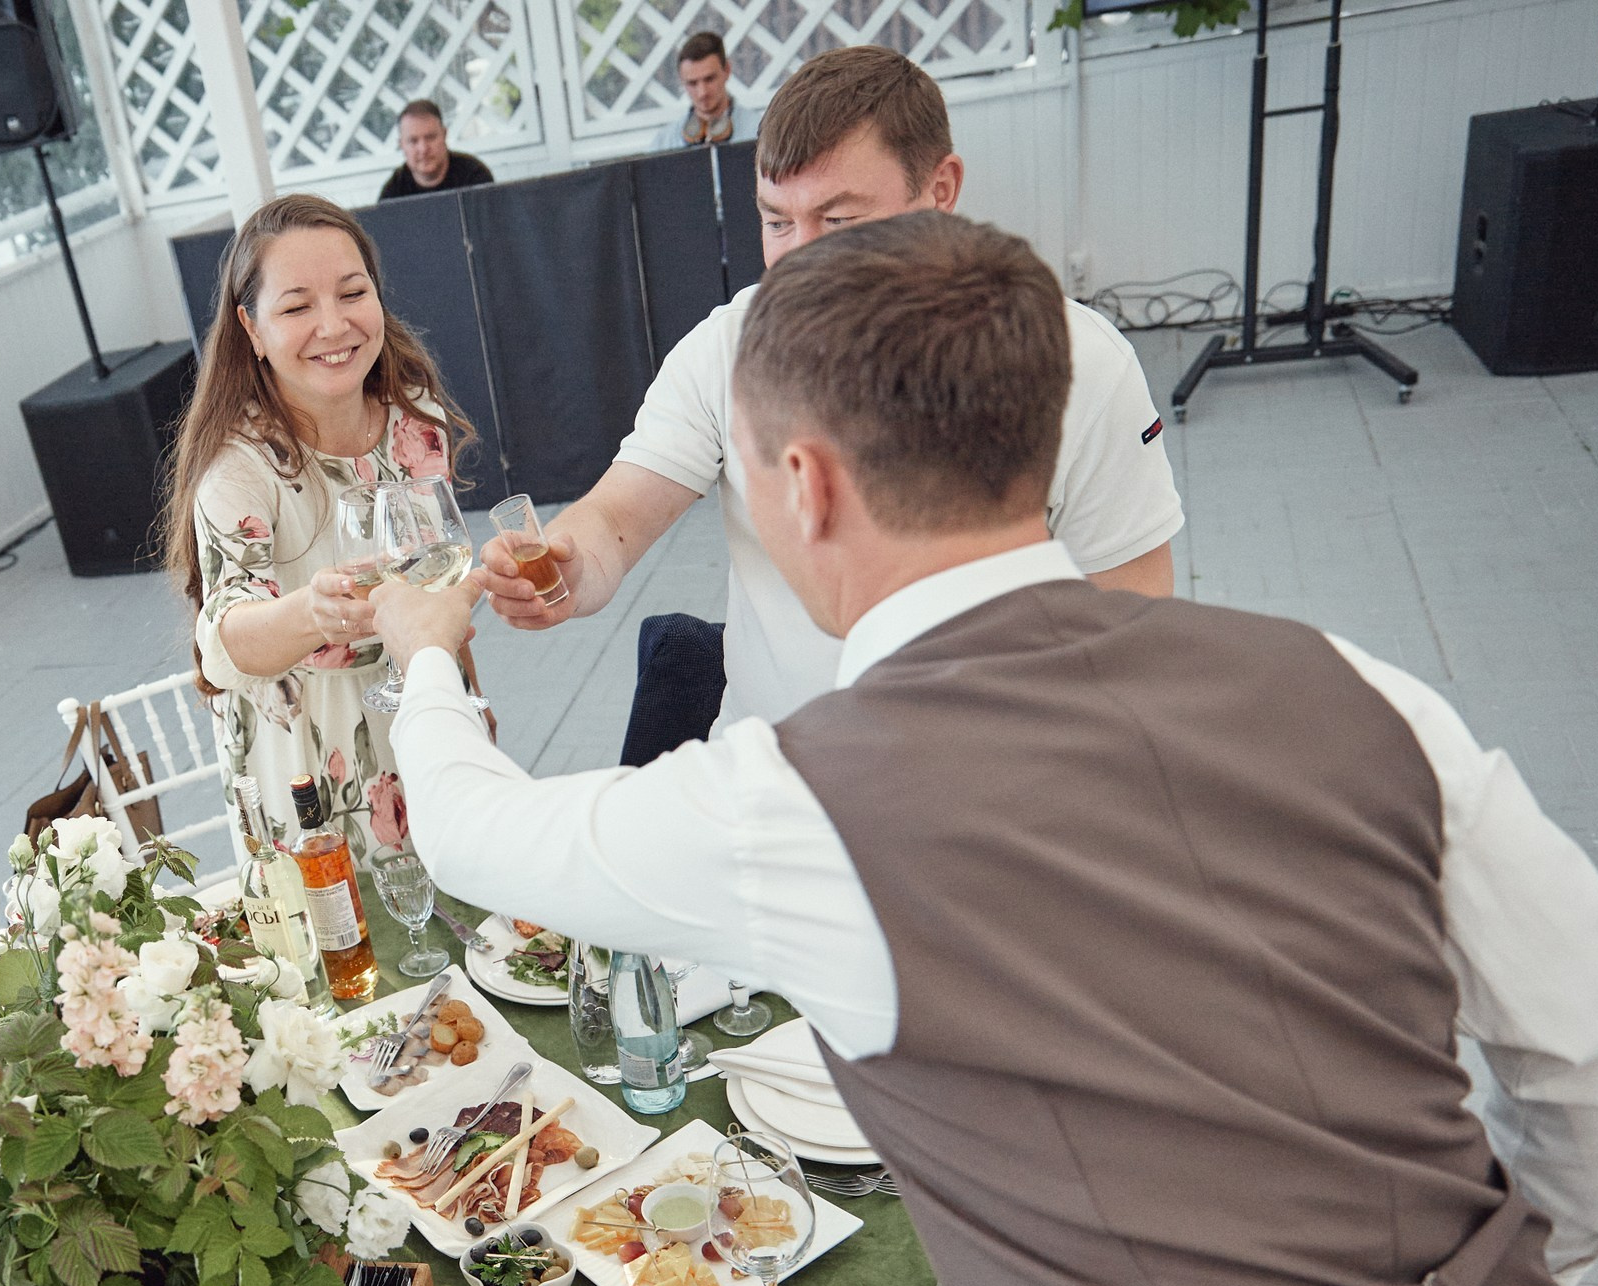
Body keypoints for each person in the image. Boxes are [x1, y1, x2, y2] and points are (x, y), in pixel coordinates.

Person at [373, 212, 1598, 1286]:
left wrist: (427, 652)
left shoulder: (805, 803)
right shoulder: (1344, 677)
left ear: (806, 484)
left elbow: (472, 834)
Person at [501, 45, 1180, 757]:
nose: (799, 261)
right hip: (781, 768)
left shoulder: (1082, 364)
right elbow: (617, 516)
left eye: (840, 222)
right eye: (777, 222)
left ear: (941, 189)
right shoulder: (726, 348)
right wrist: (575, 562)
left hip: (993, 780)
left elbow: (1132, 621)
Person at [164, 195, 484, 860]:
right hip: (310, 768)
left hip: (425, 715)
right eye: (297, 306)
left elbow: (433, 574)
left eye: (351, 293)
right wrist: (313, 611)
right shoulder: (241, 469)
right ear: (251, 327)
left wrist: (469, 703)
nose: (334, 325)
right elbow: (224, 641)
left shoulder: (412, 413)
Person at [650, 32, 760, 151]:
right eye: (692, 83)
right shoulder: (663, 143)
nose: (702, 92)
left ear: (727, 70)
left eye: (709, 79)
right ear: (682, 80)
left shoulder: (759, 132)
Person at [377, 99, 495, 200]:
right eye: (413, 141)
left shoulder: (474, 176)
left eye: (430, 138)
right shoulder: (392, 194)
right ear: (401, 145)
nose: (423, 149)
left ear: (444, 135)